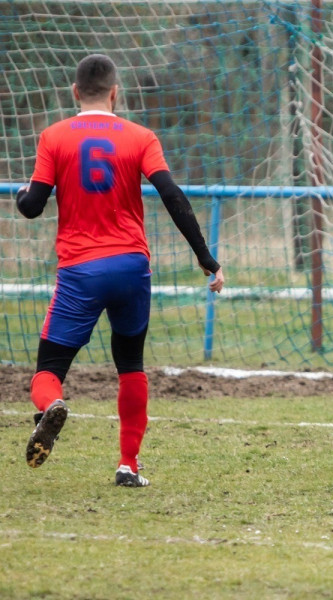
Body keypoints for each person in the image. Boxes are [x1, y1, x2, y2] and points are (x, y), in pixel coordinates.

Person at [16, 54, 225, 487]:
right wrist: (206, 257)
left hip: (81, 270)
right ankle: (128, 465)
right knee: (130, 364)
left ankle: (51, 405)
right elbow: (171, 193)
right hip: (132, 266)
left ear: (75, 92)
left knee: (49, 370)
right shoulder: (140, 136)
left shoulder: (54, 136)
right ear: (116, 93)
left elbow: (33, 207)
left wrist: (21, 195)